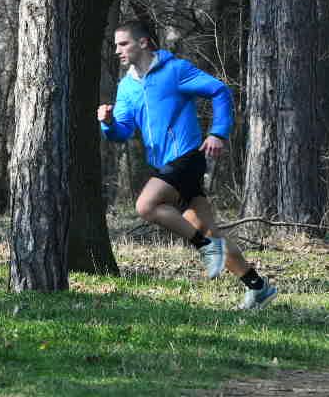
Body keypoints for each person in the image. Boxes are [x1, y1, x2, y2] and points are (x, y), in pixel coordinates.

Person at [96, 19, 278, 310]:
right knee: (208, 230)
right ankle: (258, 287)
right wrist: (108, 123)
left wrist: (218, 132)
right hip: (164, 165)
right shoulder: (126, 87)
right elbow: (123, 132)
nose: (117, 50)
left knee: (146, 206)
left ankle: (206, 250)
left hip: (188, 157)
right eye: (116, 45)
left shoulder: (175, 70)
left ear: (143, 43)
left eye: (123, 43)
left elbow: (219, 90)